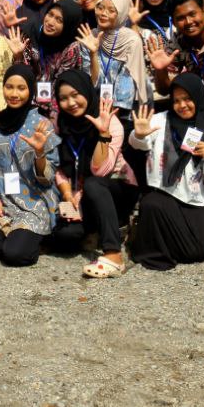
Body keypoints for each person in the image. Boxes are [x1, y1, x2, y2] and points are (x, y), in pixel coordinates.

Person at [127, 75, 204, 270]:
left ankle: (157, 238)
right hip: (165, 196)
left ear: (198, 97)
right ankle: (152, 241)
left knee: (195, 253)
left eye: (187, 99)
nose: (182, 105)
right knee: (151, 203)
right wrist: (139, 134)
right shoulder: (160, 121)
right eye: (176, 100)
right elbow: (137, 143)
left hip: (198, 202)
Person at [47, 71, 136, 279]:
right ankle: (94, 231)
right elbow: (60, 166)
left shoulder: (110, 121)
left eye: (75, 94)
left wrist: (103, 135)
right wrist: (68, 193)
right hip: (82, 194)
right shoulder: (63, 123)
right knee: (66, 235)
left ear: (87, 91)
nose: (71, 102)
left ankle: (113, 255)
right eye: (63, 98)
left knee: (94, 184)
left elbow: (101, 171)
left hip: (116, 190)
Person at [0, 65, 60, 266]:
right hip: (2, 202)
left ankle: (33, 238)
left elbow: (48, 178)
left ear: (31, 90)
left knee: (14, 255)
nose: (14, 94)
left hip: (33, 203)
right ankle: (14, 235)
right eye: (9, 87)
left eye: (21, 88)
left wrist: (39, 153)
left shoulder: (42, 124)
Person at [21, 0, 93, 115]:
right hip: (27, 101)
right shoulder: (33, 34)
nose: (50, 22)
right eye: (50, 14)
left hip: (54, 109)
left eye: (59, 20)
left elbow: (60, 85)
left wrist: (44, 114)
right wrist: (18, 55)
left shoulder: (71, 48)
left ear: (69, 24)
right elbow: (23, 71)